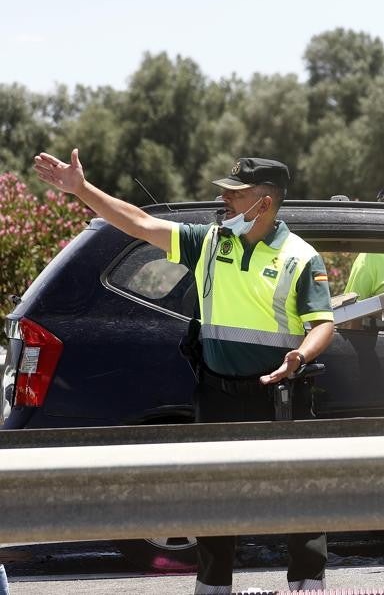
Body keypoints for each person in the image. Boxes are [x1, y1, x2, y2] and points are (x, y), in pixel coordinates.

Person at [33, 150, 334, 594]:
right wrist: (81, 190)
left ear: (264, 203)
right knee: (215, 497)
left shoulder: (299, 257)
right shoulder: (211, 241)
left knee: (299, 495)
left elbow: (322, 321)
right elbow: (139, 222)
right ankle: (213, 588)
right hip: (218, 394)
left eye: (234, 194)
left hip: (278, 396)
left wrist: (300, 356)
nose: (223, 200)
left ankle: (309, 584)